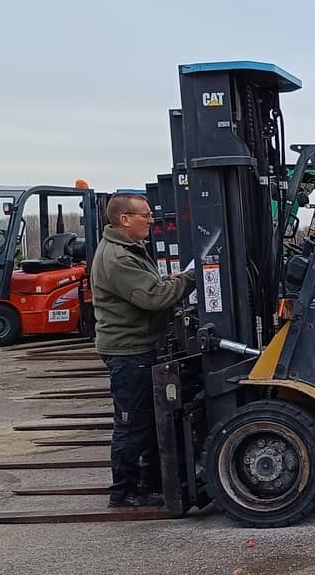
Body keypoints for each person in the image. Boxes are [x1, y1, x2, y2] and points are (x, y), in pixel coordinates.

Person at [91, 193, 195, 508]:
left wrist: (172, 281)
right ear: (125, 219)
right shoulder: (118, 258)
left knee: (148, 422)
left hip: (141, 346)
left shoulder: (129, 251)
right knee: (132, 422)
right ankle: (123, 492)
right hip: (129, 351)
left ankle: (148, 484)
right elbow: (152, 298)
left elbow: (150, 288)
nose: (151, 221)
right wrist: (193, 278)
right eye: (145, 215)